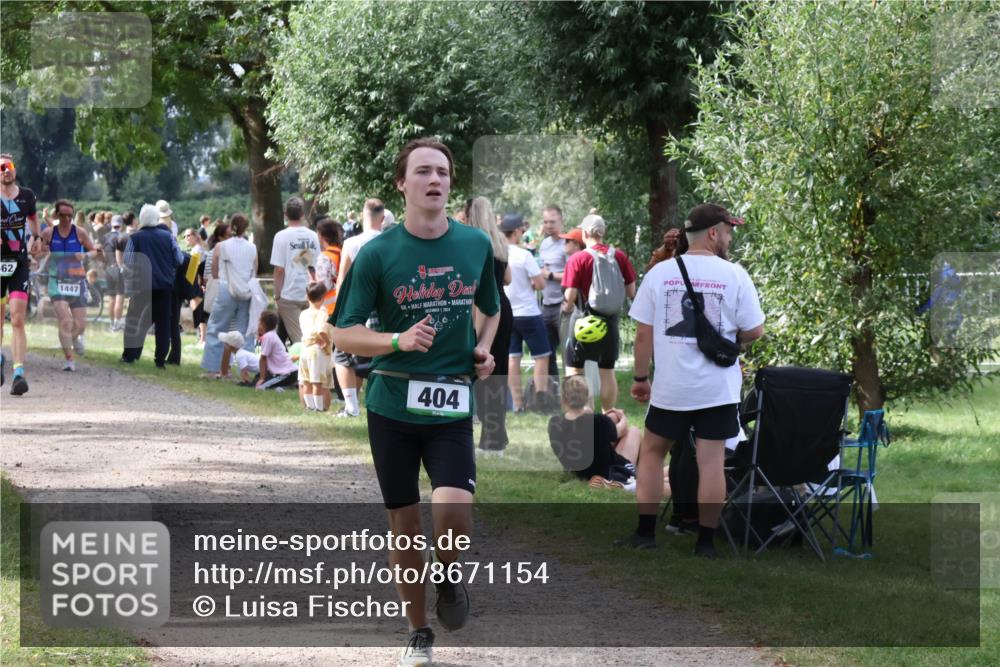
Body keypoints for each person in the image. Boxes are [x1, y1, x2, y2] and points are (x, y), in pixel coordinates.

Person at [332, 137, 499, 666]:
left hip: (450, 403)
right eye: (423, 171)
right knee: (404, 525)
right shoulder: (377, 252)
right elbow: (343, 333)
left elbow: (490, 308)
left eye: (443, 172)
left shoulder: (474, 244)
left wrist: (483, 349)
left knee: (454, 514)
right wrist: (396, 341)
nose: (435, 180)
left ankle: (446, 576)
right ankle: (418, 631)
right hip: (392, 406)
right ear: (401, 184)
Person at [623, 203, 765, 558]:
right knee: (711, 462)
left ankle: (645, 533)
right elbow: (755, 330)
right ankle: (705, 542)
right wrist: (727, 339)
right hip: (717, 388)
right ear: (713, 233)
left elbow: (643, 334)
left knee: (652, 455)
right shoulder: (735, 275)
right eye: (728, 231)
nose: (730, 238)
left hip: (671, 388)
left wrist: (640, 378)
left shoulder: (660, 274)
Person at [560, 214, 637, 411]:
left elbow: (570, 295)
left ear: (585, 233)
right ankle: (609, 414)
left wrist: (566, 308)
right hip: (609, 322)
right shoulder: (619, 256)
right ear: (603, 233)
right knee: (607, 371)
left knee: (575, 370)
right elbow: (631, 291)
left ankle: (583, 415)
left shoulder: (578, 258)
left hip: (582, 321)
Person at [461, 196, 512, 453]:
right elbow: (508, 278)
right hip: (504, 307)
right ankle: (498, 436)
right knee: (498, 372)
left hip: (484, 308)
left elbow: (475, 286)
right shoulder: (500, 240)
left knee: (482, 371)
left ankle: (491, 439)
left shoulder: (472, 242)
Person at [548, 375, 653, 489]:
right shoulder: (599, 421)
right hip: (608, 473)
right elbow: (621, 430)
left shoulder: (554, 424)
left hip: (578, 473)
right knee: (633, 431)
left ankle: (642, 470)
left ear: (563, 399)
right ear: (587, 398)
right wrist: (622, 417)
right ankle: (644, 471)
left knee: (611, 419)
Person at [333, 198, 385, 418]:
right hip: (384, 308)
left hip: (357, 307)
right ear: (383, 218)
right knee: (382, 354)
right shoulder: (390, 241)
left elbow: (342, 279)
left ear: (363, 216)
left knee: (342, 355)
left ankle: (351, 406)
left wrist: (338, 313)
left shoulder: (352, 243)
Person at [40, 199, 103, 371]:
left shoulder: (80, 232)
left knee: (80, 326)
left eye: (70, 215)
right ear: (57, 215)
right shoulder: (48, 233)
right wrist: (39, 253)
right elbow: (39, 251)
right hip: (56, 280)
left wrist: (86, 255)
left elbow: (94, 251)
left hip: (77, 280)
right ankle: (69, 360)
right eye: (63, 215)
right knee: (65, 321)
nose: (67, 219)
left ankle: (73, 338)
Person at [121, 204, 184, 367]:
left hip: (141, 286)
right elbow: (179, 259)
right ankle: (160, 360)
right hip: (164, 286)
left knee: (133, 320)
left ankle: (129, 355)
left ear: (141, 219)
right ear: (157, 219)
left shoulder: (135, 237)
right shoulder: (168, 236)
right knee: (163, 324)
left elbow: (127, 261)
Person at [501, 213, 552, 412]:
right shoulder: (524, 255)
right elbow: (540, 284)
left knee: (513, 358)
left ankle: (517, 404)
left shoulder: (497, 254)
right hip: (528, 312)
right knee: (541, 356)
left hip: (507, 313)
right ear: (515, 232)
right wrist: (531, 283)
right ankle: (540, 400)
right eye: (521, 231)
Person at [0, 153, 42, 394]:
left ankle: (18, 374)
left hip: (18, 263)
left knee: (17, 318)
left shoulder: (27, 195)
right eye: (1, 167)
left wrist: (36, 238)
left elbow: (34, 221)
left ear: (15, 169)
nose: (6, 170)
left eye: (9, 166)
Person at [201, 214, 257, 377]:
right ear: (246, 228)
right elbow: (254, 271)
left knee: (216, 327)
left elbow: (214, 273)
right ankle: (246, 370)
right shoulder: (252, 248)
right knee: (244, 331)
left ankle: (213, 368)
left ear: (231, 227)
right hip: (246, 291)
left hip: (226, 288)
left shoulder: (221, 246)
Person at [271, 196, 319, 343]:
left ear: (285, 214)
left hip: (289, 294)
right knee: (310, 335)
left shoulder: (281, 236)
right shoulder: (313, 236)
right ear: (303, 214)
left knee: (300, 341)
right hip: (310, 292)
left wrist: (277, 295)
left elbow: (279, 270)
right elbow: (315, 265)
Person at [538, 205, 567, 379]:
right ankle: (554, 391)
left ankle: (573, 391)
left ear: (561, 221)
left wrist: (549, 275)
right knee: (547, 353)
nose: (548, 225)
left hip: (564, 305)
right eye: (545, 222)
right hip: (546, 305)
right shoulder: (544, 244)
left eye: (552, 222)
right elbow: (541, 269)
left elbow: (573, 277)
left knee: (568, 353)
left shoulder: (567, 244)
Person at [299, 282, 335, 410]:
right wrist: (326, 342)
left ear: (307, 297)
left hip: (305, 349)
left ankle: (309, 406)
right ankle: (319, 408)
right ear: (323, 298)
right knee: (317, 382)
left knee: (306, 381)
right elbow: (321, 331)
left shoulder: (303, 314)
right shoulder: (322, 313)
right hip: (316, 351)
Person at [255, 310, 298, 390]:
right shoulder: (272, 334)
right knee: (259, 381)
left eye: (259, 323)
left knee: (260, 387)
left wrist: (262, 378)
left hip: (286, 374)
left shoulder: (268, 337)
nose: (258, 325)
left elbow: (263, 358)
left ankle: (286, 387)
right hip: (290, 372)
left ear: (263, 324)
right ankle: (290, 384)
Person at [313, 216, 343, 315]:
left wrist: (313, 282)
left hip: (329, 308)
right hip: (345, 304)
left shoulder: (324, 257)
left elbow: (324, 286)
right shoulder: (343, 253)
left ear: (321, 235)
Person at [183, 227, 207, 344]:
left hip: (196, 285)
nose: (186, 238)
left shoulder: (196, 250)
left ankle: (202, 339)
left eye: (188, 235)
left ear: (195, 237)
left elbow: (193, 271)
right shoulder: (197, 249)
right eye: (185, 236)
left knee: (198, 311)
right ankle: (202, 338)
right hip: (197, 284)